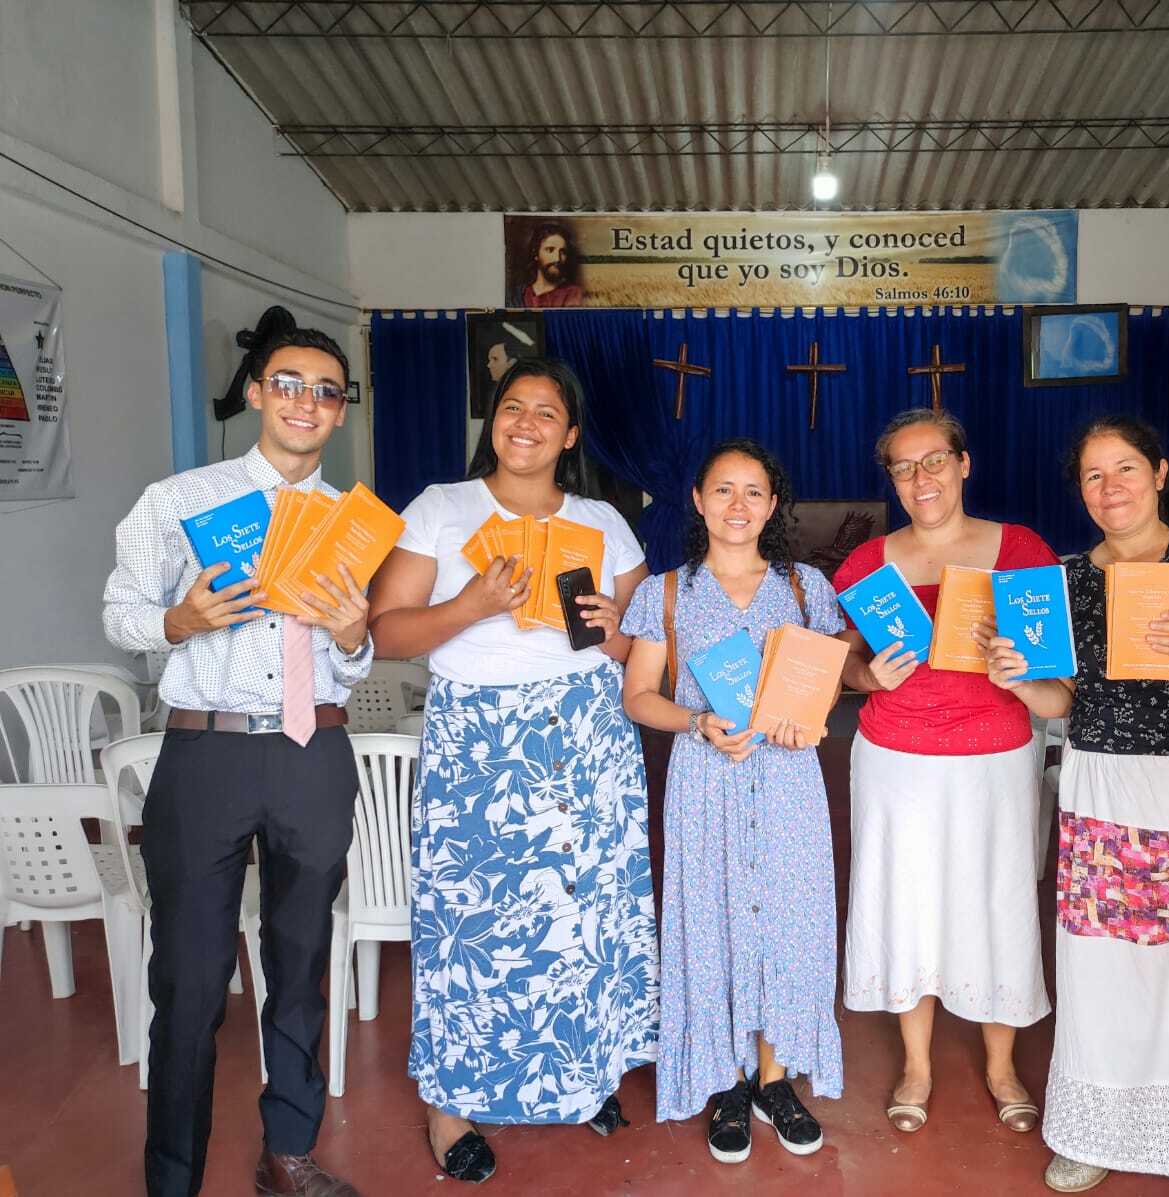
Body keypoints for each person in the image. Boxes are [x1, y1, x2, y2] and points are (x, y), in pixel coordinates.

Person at [366, 358, 657, 1185]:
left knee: (582, 915)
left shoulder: (605, 521)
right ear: (492, 421)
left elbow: (648, 652)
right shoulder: (441, 507)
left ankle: (585, 1072)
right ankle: (450, 1101)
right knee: (472, 917)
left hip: (585, 738)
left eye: (546, 412)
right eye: (510, 406)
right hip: (479, 743)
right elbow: (383, 633)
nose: (524, 421)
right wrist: (472, 606)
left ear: (570, 436)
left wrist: (615, 632)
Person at [104, 326, 372, 1197]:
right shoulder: (180, 499)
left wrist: (354, 634)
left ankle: (287, 1152)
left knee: (299, 961)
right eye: (287, 383)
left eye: (326, 390)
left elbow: (355, 660)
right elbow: (120, 612)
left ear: (338, 412)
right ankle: (172, 1178)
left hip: (313, 748)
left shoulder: (352, 522)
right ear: (256, 392)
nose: (306, 401)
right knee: (187, 977)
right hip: (207, 749)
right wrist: (179, 621)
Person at [985, 414, 1169, 1196]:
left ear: (1159, 472)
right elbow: (1061, 699)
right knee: (1104, 962)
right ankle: (1096, 1126)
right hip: (1103, 784)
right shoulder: (1067, 579)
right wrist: (1016, 675)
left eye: (1124, 469)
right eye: (1092, 475)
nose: (1109, 488)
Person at [619, 438, 846, 1164]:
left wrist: (802, 712)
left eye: (754, 491)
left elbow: (831, 676)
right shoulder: (664, 591)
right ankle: (726, 1082)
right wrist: (696, 721)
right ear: (698, 499)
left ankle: (776, 1080)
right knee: (710, 922)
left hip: (787, 780)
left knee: (790, 919)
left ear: (773, 504)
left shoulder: (807, 584)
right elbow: (638, 695)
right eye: (724, 490)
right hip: (705, 782)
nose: (738, 505)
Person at [832, 407, 1056, 1137]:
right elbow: (844, 665)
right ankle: (917, 1064)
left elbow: (1056, 677)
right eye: (903, 466)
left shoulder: (1020, 550)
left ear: (964, 463)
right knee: (909, 901)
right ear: (891, 478)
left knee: (998, 901)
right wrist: (872, 676)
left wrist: (1018, 671)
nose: (920, 477)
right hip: (896, 759)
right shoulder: (868, 563)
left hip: (995, 754)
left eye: (934, 461)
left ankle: (1001, 1066)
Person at [509, 221, 584, 308]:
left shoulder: (573, 294)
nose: (557, 258)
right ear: (536, 254)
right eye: (550, 250)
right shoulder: (518, 295)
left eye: (563, 252)